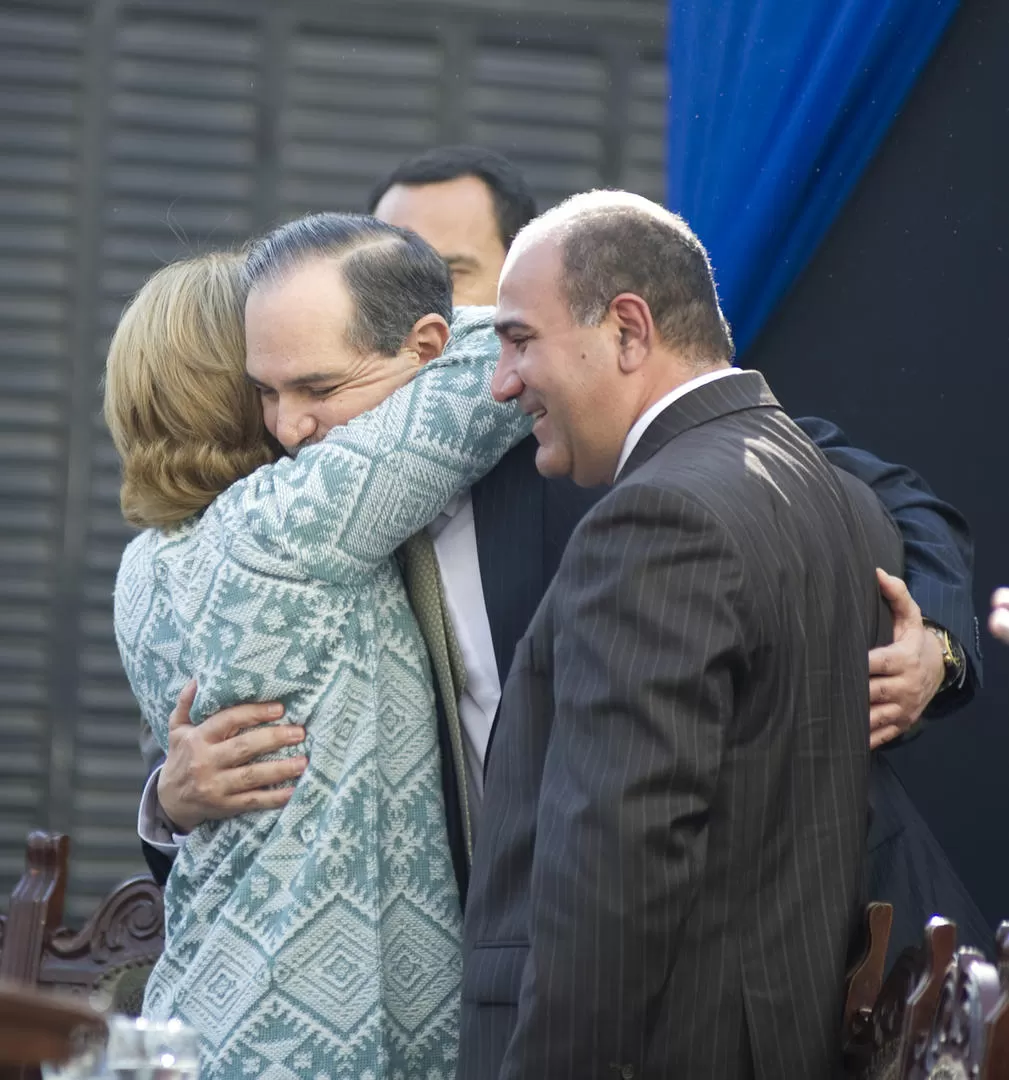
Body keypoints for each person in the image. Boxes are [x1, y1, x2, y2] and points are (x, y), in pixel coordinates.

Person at [458, 190, 895, 1078]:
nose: (501, 382)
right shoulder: (820, 486)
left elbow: (614, 870)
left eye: (517, 340)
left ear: (626, 329)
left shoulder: (658, 519)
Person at [106, 220, 529, 1080]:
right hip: (318, 1028)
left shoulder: (140, 571)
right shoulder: (289, 523)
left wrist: (166, 801)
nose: (289, 415)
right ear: (238, 386)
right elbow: (497, 363)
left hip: (194, 1005)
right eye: (269, 381)